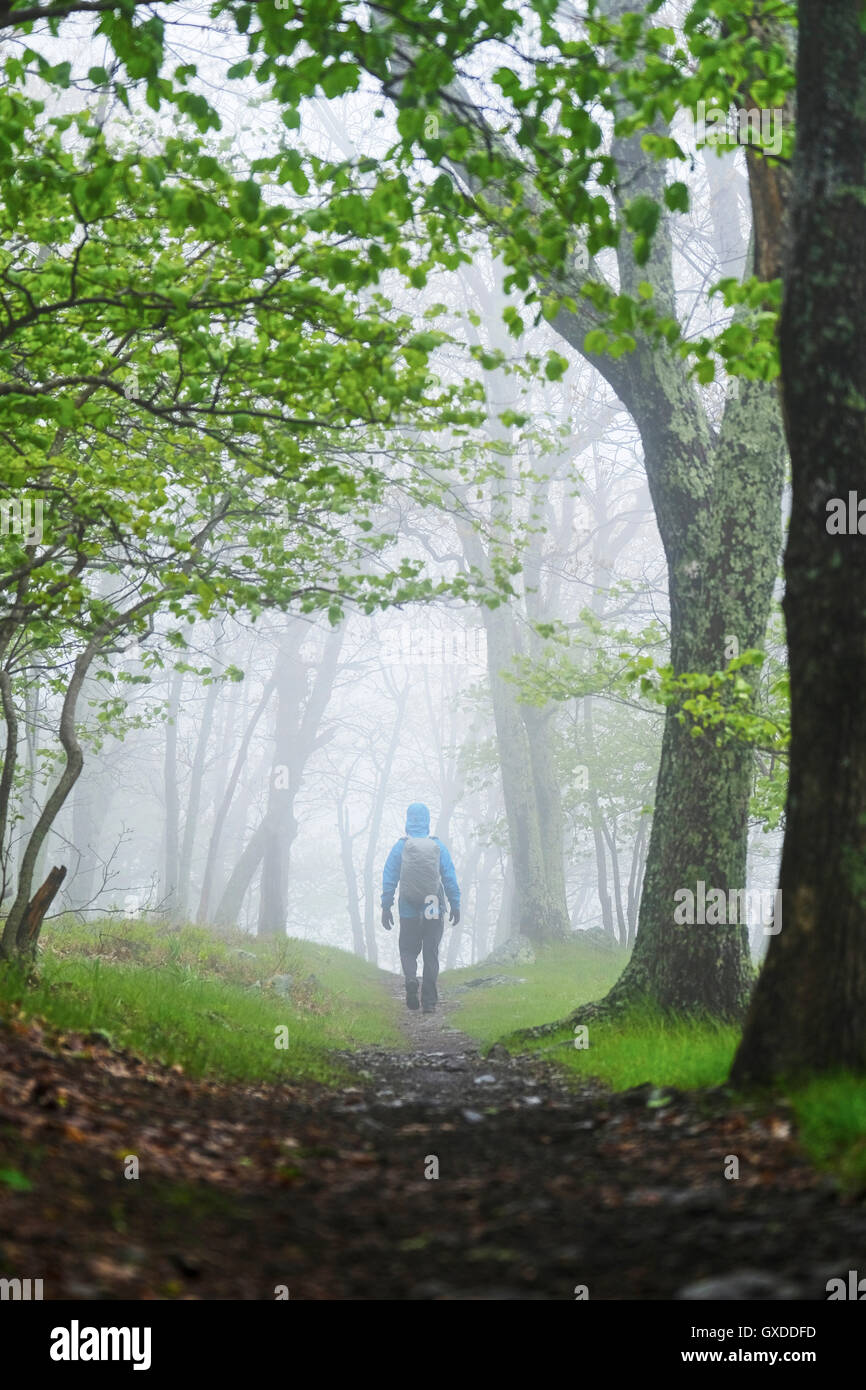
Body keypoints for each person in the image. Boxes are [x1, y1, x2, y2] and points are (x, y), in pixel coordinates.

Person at [381, 802, 460, 1014]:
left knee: (407, 949)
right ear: (427, 821)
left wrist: (386, 906)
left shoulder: (401, 847)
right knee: (430, 953)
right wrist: (455, 904)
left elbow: (389, 877)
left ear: (408, 820)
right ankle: (430, 1002)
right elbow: (449, 876)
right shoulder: (437, 846)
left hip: (409, 906)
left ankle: (410, 980)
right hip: (433, 905)